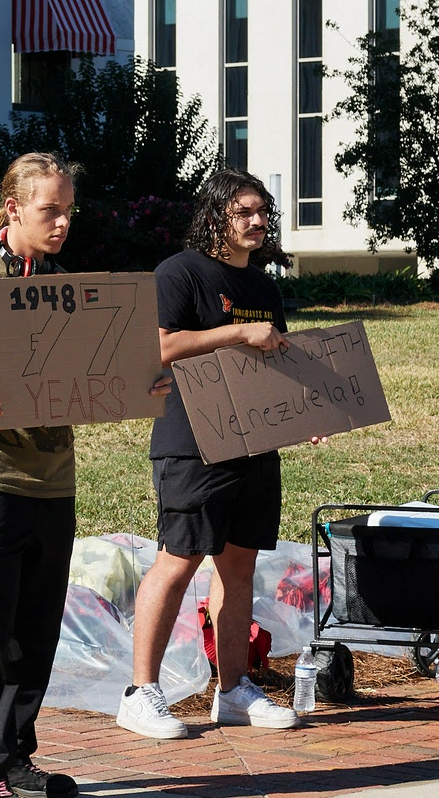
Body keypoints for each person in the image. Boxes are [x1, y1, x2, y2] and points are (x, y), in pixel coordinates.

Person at [0, 154, 170, 798]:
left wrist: (142, 384)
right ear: (13, 209)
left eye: (68, 211)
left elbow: (100, 375)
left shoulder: (73, 289)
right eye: (49, 211)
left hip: (54, 484)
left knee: (35, 631)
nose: (62, 223)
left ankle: (17, 760)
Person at [116, 168, 304, 740]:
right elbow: (160, 346)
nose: (256, 221)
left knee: (239, 566)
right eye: (243, 212)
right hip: (192, 442)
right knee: (178, 559)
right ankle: (140, 693)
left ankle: (234, 690)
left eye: (262, 212)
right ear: (217, 214)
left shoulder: (265, 287)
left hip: (254, 443)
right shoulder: (180, 272)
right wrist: (235, 334)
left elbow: (277, 362)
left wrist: (305, 415)